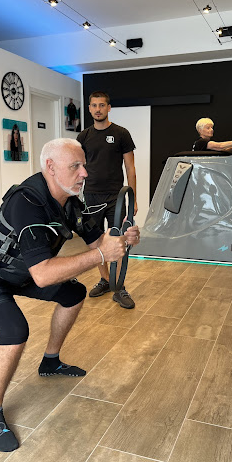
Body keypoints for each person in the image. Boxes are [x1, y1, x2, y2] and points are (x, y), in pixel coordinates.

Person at [0, 138, 140, 453]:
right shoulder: (27, 201)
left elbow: (98, 243)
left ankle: (50, 362)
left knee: (73, 293)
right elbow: (44, 275)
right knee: (13, 330)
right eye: (75, 166)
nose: (85, 173)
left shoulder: (71, 202)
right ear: (50, 167)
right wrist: (101, 255)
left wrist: (122, 240)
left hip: (20, 271)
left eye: (84, 165)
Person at [77, 91, 138, 309]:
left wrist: (133, 199)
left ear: (109, 108)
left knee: (118, 240)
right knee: (96, 242)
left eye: (102, 105)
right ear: (89, 108)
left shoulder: (121, 134)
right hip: (91, 195)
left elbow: (130, 168)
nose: (98, 109)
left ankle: (119, 287)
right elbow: (77, 167)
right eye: (94, 105)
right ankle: (105, 280)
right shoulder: (83, 137)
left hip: (116, 196)